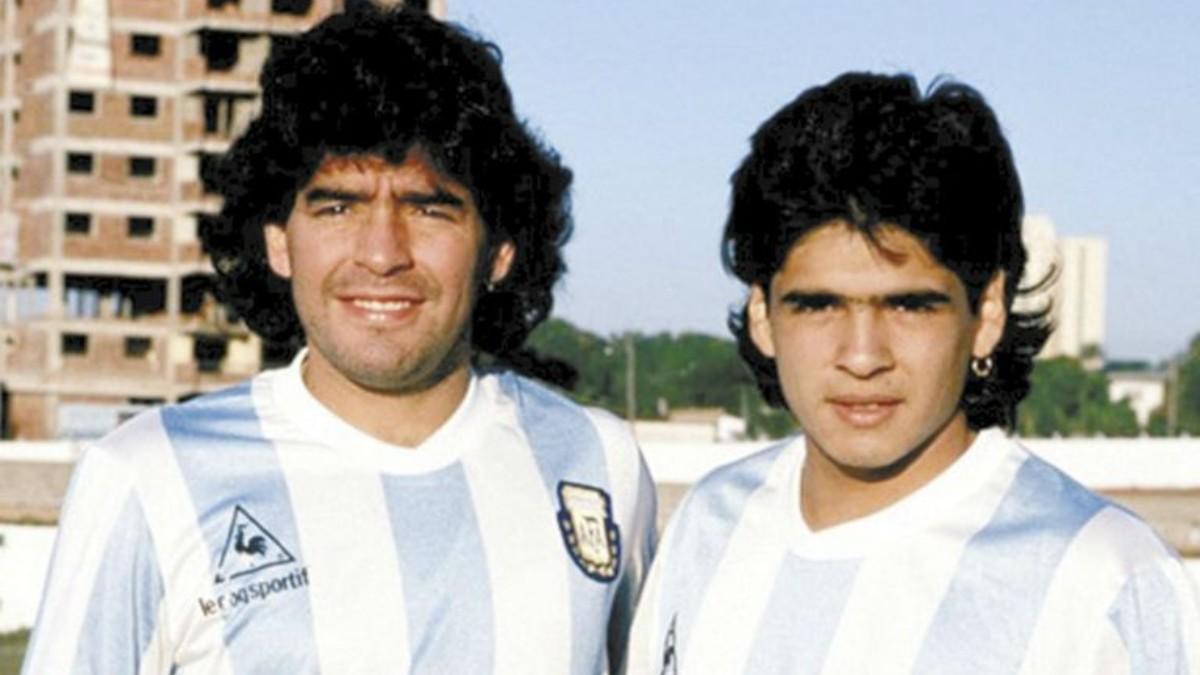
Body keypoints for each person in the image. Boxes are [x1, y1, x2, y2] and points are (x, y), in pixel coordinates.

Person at [23, 5, 655, 674]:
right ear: (278, 240)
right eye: (337, 206)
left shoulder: (596, 463)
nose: (382, 253)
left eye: (427, 207)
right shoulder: (146, 477)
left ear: (499, 248)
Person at [627, 73, 1200, 674]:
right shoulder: (712, 522)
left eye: (909, 306)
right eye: (819, 305)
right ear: (763, 317)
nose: (863, 356)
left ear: (986, 313)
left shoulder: (1099, 576)